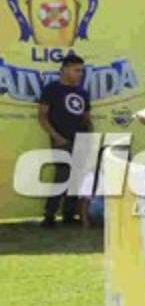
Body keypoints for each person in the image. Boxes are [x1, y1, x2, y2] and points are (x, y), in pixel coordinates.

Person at [37, 52, 92, 227]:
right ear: (65, 69)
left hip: (81, 140)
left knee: (77, 178)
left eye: (81, 71)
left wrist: (90, 137)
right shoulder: (52, 89)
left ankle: (69, 215)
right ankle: (49, 216)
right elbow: (42, 117)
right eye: (76, 70)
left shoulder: (82, 92)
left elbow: (86, 117)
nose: (80, 74)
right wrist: (57, 137)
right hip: (61, 140)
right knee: (62, 177)